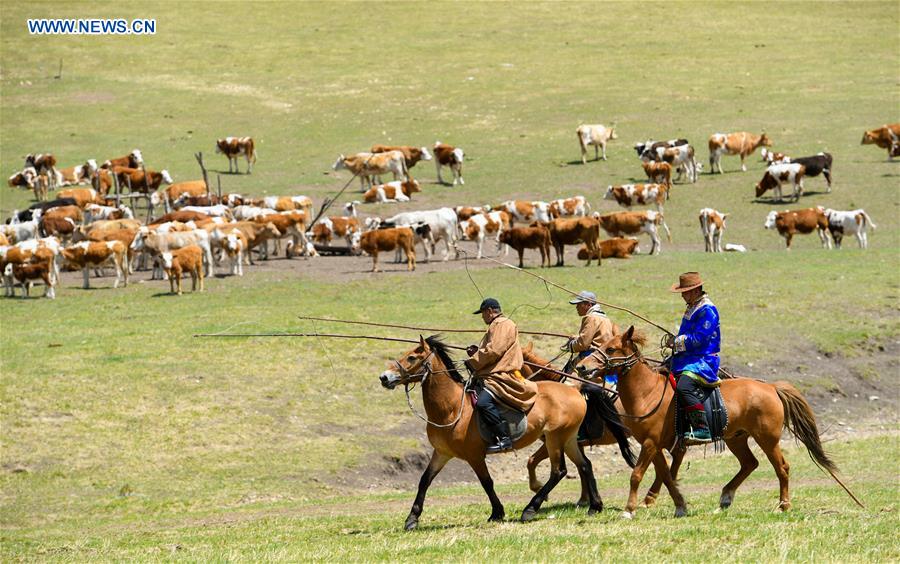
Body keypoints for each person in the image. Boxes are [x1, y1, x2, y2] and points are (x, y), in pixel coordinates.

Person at [466, 297, 537, 454]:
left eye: (483, 313)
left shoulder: (503, 324)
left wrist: (473, 361)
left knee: (482, 403)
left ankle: (504, 438)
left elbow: (495, 351)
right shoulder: (497, 325)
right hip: (492, 373)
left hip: (501, 375)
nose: (482, 317)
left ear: (490, 311)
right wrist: (476, 353)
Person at [665, 272, 720, 443]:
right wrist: (675, 340)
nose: (682, 295)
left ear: (696, 291)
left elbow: (699, 339)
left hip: (703, 360)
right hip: (687, 357)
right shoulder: (693, 306)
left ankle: (701, 428)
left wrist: (677, 342)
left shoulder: (708, 310)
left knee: (684, 387)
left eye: (686, 291)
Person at [561, 290, 617, 386]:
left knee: (567, 382)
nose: (576, 307)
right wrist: (577, 337)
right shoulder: (605, 318)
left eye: (579, 304)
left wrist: (571, 345)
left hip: (590, 358)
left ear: (588, 304)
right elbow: (597, 337)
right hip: (603, 358)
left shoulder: (591, 318)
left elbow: (582, 344)